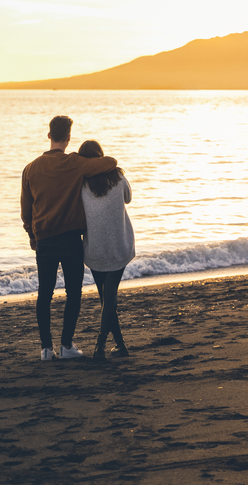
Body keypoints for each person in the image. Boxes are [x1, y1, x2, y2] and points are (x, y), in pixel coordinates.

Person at [21, 116, 117, 361]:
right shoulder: (75, 163)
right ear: (68, 137)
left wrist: (31, 234)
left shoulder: (30, 168)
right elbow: (110, 162)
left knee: (45, 294)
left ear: (49, 135)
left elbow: (26, 210)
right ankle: (65, 346)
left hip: (44, 240)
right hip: (71, 239)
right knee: (73, 292)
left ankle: (45, 349)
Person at [78, 140, 135, 360]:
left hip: (95, 248)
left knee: (106, 298)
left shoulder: (81, 183)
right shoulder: (118, 176)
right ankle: (110, 345)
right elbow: (128, 198)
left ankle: (106, 345)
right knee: (109, 298)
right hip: (119, 245)